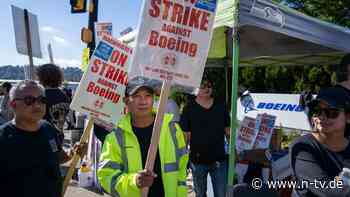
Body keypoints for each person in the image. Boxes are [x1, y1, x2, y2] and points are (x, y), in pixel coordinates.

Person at [97, 80, 189, 197]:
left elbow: (182, 168)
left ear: (154, 99)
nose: (143, 101)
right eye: (136, 96)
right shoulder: (115, 137)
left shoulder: (173, 129)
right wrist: (134, 181)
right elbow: (106, 177)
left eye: (147, 96)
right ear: (126, 101)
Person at [0, 80, 85, 197]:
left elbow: (57, 156)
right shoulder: (3, 138)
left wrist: (73, 153)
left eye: (42, 100)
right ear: (13, 105)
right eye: (29, 100)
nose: (37, 105)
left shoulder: (47, 128)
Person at [290, 86, 350, 197]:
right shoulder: (303, 147)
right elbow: (330, 192)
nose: (322, 116)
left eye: (331, 112)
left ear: (348, 117)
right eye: (317, 110)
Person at [180, 76, 230, 197]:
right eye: (203, 85)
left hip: (219, 159)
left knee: (221, 194)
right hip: (197, 162)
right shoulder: (188, 109)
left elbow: (228, 131)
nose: (207, 88)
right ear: (195, 88)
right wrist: (182, 159)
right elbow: (185, 137)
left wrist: (234, 150)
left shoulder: (221, 106)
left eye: (209, 85)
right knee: (200, 194)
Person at [36, 64, 71, 138]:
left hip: (43, 138)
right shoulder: (64, 96)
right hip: (59, 136)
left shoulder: (41, 96)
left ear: (42, 78)